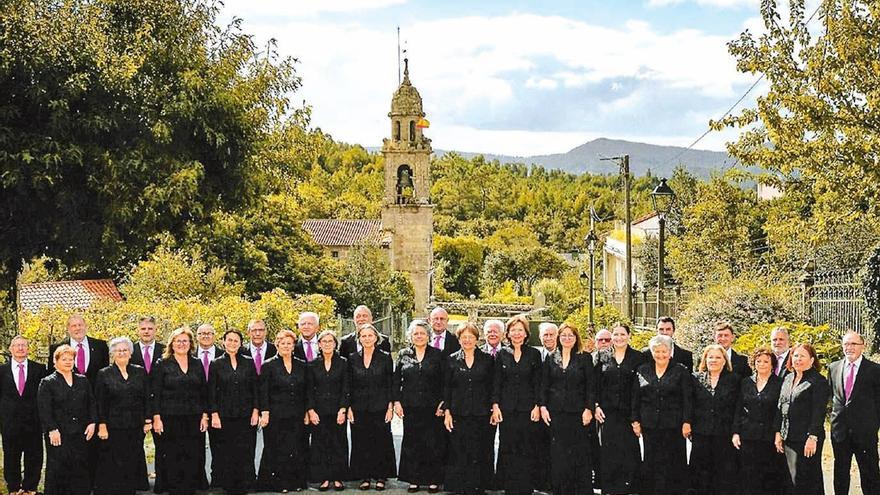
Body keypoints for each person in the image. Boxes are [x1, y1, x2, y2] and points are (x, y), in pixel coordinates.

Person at [632, 334, 692, 495]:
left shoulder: (681, 370)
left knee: (673, 461)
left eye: (664, 351)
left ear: (671, 352)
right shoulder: (642, 370)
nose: (660, 355)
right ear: (652, 352)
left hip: (673, 425)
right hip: (649, 424)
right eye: (656, 351)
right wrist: (635, 420)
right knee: (651, 461)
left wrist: (687, 421)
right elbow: (636, 397)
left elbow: (687, 399)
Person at [152, 326, 209, 495]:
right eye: (178, 341)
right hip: (169, 417)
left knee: (192, 452)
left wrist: (204, 415)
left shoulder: (197, 363)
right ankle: (174, 487)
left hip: (193, 416)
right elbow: (156, 393)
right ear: (172, 344)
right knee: (172, 452)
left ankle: (190, 486)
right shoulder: (162, 364)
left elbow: (203, 391)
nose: (182, 344)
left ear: (190, 343)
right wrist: (156, 418)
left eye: (185, 341)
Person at [539, 322, 594, 495]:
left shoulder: (585, 358)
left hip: (578, 414)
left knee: (579, 453)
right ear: (558, 338)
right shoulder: (551, 357)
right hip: (556, 413)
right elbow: (544, 385)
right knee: (558, 454)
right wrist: (543, 407)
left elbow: (591, 387)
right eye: (563, 335)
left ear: (576, 338)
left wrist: (588, 409)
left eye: (571, 335)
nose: (567, 338)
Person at [492, 315, 542, 495]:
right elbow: (497, 382)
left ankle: (525, 486)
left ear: (526, 333)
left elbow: (538, 382)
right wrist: (496, 406)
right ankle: (509, 486)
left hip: (528, 410)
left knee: (526, 446)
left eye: (520, 330)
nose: (517, 333)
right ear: (508, 333)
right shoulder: (502, 353)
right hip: (507, 409)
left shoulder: (534, 354)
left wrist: (537, 405)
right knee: (508, 446)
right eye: (513, 330)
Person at [94, 337, 151, 495]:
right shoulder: (104, 374)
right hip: (113, 426)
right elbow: (100, 402)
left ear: (130, 353)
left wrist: (147, 420)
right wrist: (102, 425)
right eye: (118, 350)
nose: (122, 353)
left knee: (132, 459)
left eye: (125, 350)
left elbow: (146, 397)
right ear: (112, 354)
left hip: (135, 425)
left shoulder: (139, 371)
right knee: (114, 460)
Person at [393, 320, 445, 493]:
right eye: (416, 333)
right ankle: (414, 479)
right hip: (410, 406)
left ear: (428, 336)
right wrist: (397, 402)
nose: (419, 336)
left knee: (433, 443)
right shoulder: (403, 354)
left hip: (433, 408)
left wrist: (442, 403)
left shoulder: (438, 354)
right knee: (412, 442)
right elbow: (396, 381)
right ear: (410, 336)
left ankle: (433, 479)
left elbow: (445, 382)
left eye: (422, 333)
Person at [38, 344, 97, 495]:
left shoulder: (82, 380)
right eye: (64, 359)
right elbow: (45, 409)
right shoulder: (47, 382)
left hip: (81, 433)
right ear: (55, 361)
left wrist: (92, 423)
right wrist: (52, 429)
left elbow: (91, 403)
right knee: (58, 470)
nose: (68, 362)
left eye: (71, 359)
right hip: (58, 434)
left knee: (80, 469)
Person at [443, 322, 494, 495]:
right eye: (463, 337)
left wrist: (493, 409)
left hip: (481, 412)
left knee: (479, 449)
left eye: (470, 337)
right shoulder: (451, 359)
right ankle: (459, 486)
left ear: (477, 339)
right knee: (459, 449)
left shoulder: (487, 359)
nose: (467, 340)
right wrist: (447, 412)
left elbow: (492, 386)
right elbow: (447, 388)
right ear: (458, 339)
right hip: (459, 412)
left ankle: (478, 486)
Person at [828, 331, 880, 495]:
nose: (849, 347)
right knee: (840, 473)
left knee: (870, 473)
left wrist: (873, 426)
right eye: (846, 344)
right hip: (839, 432)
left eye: (853, 344)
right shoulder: (833, 367)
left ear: (863, 346)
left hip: (865, 432)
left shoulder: (875, 370)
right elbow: (832, 398)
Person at [774, 343, 830, 495]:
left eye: (802, 356)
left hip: (807, 439)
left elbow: (818, 412)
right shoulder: (788, 378)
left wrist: (813, 437)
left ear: (812, 360)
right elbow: (781, 406)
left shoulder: (818, 381)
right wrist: (778, 433)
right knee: (791, 479)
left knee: (808, 479)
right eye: (795, 355)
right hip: (788, 437)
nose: (798, 359)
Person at [209, 330, 260, 495]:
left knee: (246, 449)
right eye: (229, 340)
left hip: (246, 414)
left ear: (240, 343)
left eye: (236, 340)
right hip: (224, 415)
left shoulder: (249, 362)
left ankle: (246, 483)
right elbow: (212, 392)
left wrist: (255, 411)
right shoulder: (216, 364)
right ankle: (229, 485)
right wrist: (214, 414)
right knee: (227, 451)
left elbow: (255, 390)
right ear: (223, 342)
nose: (232, 343)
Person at [594, 322, 643, 495]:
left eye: (623, 334)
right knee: (609, 450)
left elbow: (641, 387)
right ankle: (611, 488)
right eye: (615, 334)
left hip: (629, 413)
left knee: (629, 450)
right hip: (608, 413)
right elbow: (596, 383)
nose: (619, 338)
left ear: (629, 336)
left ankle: (629, 488)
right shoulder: (602, 356)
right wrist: (596, 405)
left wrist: (636, 417)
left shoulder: (638, 358)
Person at [258, 329, 310, 492]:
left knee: (296, 447)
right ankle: (279, 483)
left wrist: (308, 411)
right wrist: (264, 412)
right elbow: (263, 391)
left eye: (289, 343)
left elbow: (307, 390)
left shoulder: (302, 365)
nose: (286, 346)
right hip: (276, 414)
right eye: (283, 343)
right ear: (277, 345)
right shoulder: (268, 365)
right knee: (277, 448)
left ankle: (296, 482)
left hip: (297, 413)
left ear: (294, 345)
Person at [348, 324, 396, 490]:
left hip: (380, 406)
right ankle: (364, 477)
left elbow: (391, 383)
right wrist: (349, 408)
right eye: (363, 336)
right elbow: (349, 385)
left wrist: (390, 407)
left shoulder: (385, 357)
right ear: (359, 339)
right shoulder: (352, 358)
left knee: (381, 442)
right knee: (361, 442)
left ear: (376, 338)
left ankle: (381, 477)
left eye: (370, 335)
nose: (367, 339)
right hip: (359, 407)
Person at [732, 347, 786, 495]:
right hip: (748, 435)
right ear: (753, 363)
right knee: (748, 475)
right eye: (758, 361)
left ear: (772, 364)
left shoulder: (780, 383)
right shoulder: (745, 382)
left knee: (769, 476)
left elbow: (780, 410)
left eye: (766, 361)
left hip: (769, 437)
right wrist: (736, 432)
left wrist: (777, 432)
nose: (762, 364)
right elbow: (738, 408)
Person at [689, 344, 739, 495]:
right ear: (705, 359)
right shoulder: (695, 378)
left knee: (722, 473)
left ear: (725, 361)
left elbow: (738, 408)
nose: (714, 360)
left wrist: (735, 431)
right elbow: (690, 403)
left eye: (718, 357)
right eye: (711, 357)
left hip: (723, 433)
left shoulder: (734, 380)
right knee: (700, 472)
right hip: (700, 432)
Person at [0, 336, 47, 495]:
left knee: (34, 456)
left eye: (23, 346)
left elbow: (44, 396)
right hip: (9, 423)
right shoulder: (1, 371)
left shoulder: (40, 369)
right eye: (17, 345)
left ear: (28, 349)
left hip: (33, 423)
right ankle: (14, 488)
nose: (20, 348)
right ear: (10, 349)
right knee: (11, 456)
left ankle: (30, 488)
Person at [307, 330, 350, 491]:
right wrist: (311, 410)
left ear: (335, 344)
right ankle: (324, 478)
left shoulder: (344, 363)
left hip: (338, 410)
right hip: (319, 411)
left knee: (338, 443)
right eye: (323, 341)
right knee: (320, 443)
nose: (326, 344)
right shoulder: (312, 364)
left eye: (330, 341)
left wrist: (343, 409)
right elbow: (309, 389)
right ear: (319, 344)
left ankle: (338, 477)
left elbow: (346, 387)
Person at [130, 316, 163, 491]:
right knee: (135, 445)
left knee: (163, 446)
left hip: (161, 406)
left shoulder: (166, 350)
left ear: (155, 330)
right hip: (136, 407)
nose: (147, 331)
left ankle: (162, 483)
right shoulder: (129, 351)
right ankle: (138, 483)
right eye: (143, 328)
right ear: (138, 330)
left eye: (150, 328)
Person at [194, 323, 221, 489]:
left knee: (219, 444)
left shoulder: (224, 354)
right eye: (201, 333)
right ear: (196, 336)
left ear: (214, 336)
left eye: (209, 333)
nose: (205, 336)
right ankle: (199, 479)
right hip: (195, 406)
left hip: (218, 406)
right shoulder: (187, 354)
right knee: (196, 445)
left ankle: (218, 478)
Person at [47, 314, 109, 385]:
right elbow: (51, 375)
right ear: (68, 329)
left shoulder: (100, 346)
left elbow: (105, 374)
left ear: (86, 326)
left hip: (96, 394)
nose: (78, 328)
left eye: (80, 325)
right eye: (74, 326)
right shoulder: (56, 348)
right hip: (67, 394)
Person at [534, 322, 558, 491]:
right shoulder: (536, 355)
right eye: (545, 335)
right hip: (537, 408)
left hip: (557, 408)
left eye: (551, 335)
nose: (548, 338)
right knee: (539, 446)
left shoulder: (563, 354)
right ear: (540, 337)